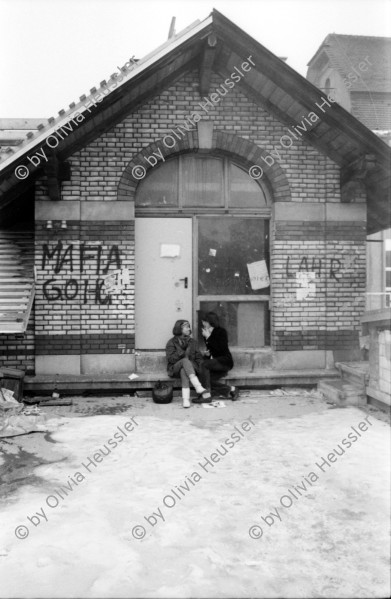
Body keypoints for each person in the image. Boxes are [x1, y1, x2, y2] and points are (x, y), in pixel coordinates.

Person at [166, 320, 211, 408]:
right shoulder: (171, 342)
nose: (189, 329)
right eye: (186, 327)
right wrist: (181, 352)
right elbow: (170, 359)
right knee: (185, 361)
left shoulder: (193, 342)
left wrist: (200, 366)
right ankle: (197, 386)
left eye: (189, 327)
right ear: (179, 328)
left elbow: (198, 357)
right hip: (175, 368)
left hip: (189, 369)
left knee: (184, 370)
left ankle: (186, 399)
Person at [199, 311, 239, 401]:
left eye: (204, 321)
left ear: (210, 322)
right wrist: (208, 354)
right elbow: (213, 350)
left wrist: (209, 338)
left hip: (225, 362)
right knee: (204, 379)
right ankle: (232, 389)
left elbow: (221, 350)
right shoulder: (206, 333)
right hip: (215, 363)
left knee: (203, 365)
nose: (203, 323)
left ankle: (206, 396)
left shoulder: (221, 332)